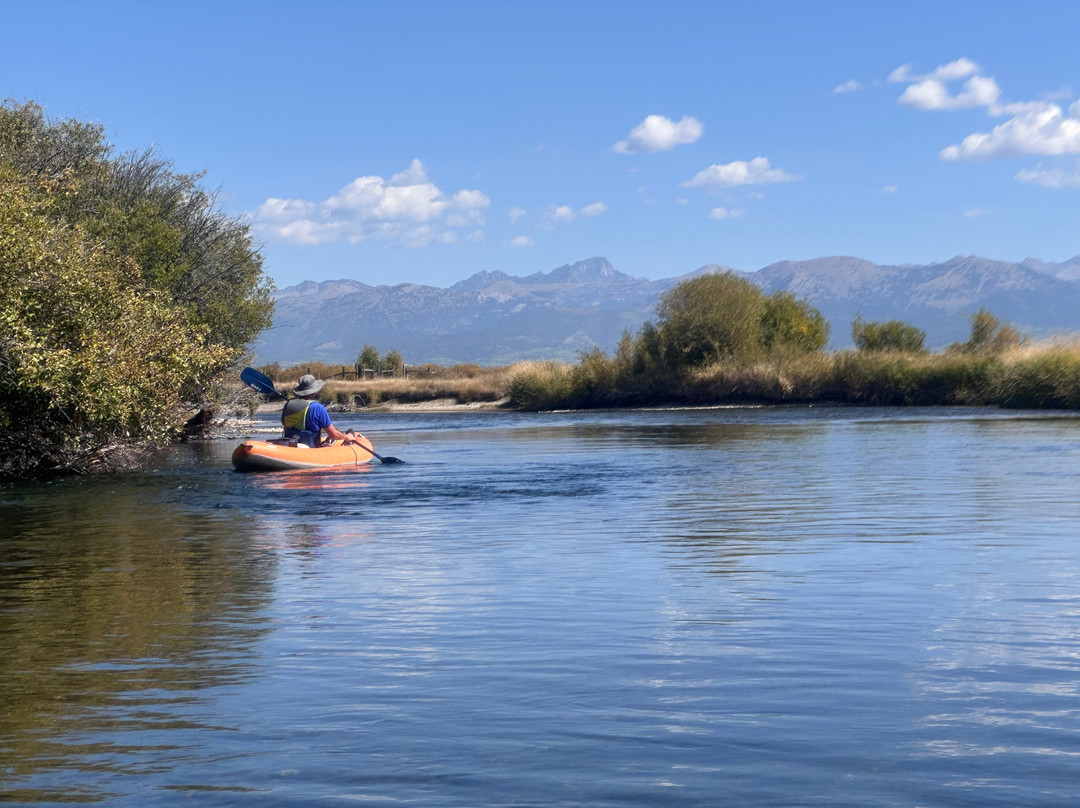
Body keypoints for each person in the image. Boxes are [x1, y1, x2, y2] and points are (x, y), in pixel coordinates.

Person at [281, 374, 356, 447]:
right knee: (349, 431)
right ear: (313, 393)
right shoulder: (318, 408)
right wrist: (347, 437)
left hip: (289, 444)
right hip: (310, 447)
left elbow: (284, 423)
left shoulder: (288, 405)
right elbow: (333, 434)